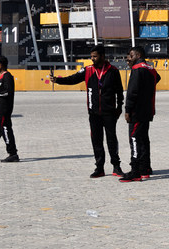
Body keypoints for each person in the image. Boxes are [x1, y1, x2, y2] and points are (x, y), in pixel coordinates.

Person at [52, 45, 125, 178]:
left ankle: (116, 166)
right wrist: (58, 80)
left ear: (102, 56)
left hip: (109, 113)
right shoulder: (88, 70)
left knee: (111, 140)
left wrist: (119, 107)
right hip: (94, 113)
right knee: (96, 140)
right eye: (91, 56)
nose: (92, 59)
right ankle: (99, 168)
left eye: (95, 56)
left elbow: (119, 91)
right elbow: (73, 79)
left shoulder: (113, 71)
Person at [120, 46, 161, 182]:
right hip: (148, 110)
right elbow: (158, 78)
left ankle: (135, 171)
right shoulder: (150, 69)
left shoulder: (137, 69)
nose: (128, 59)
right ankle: (145, 168)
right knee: (144, 139)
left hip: (137, 111)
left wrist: (127, 110)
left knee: (134, 139)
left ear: (138, 55)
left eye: (130, 56)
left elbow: (132, 92)